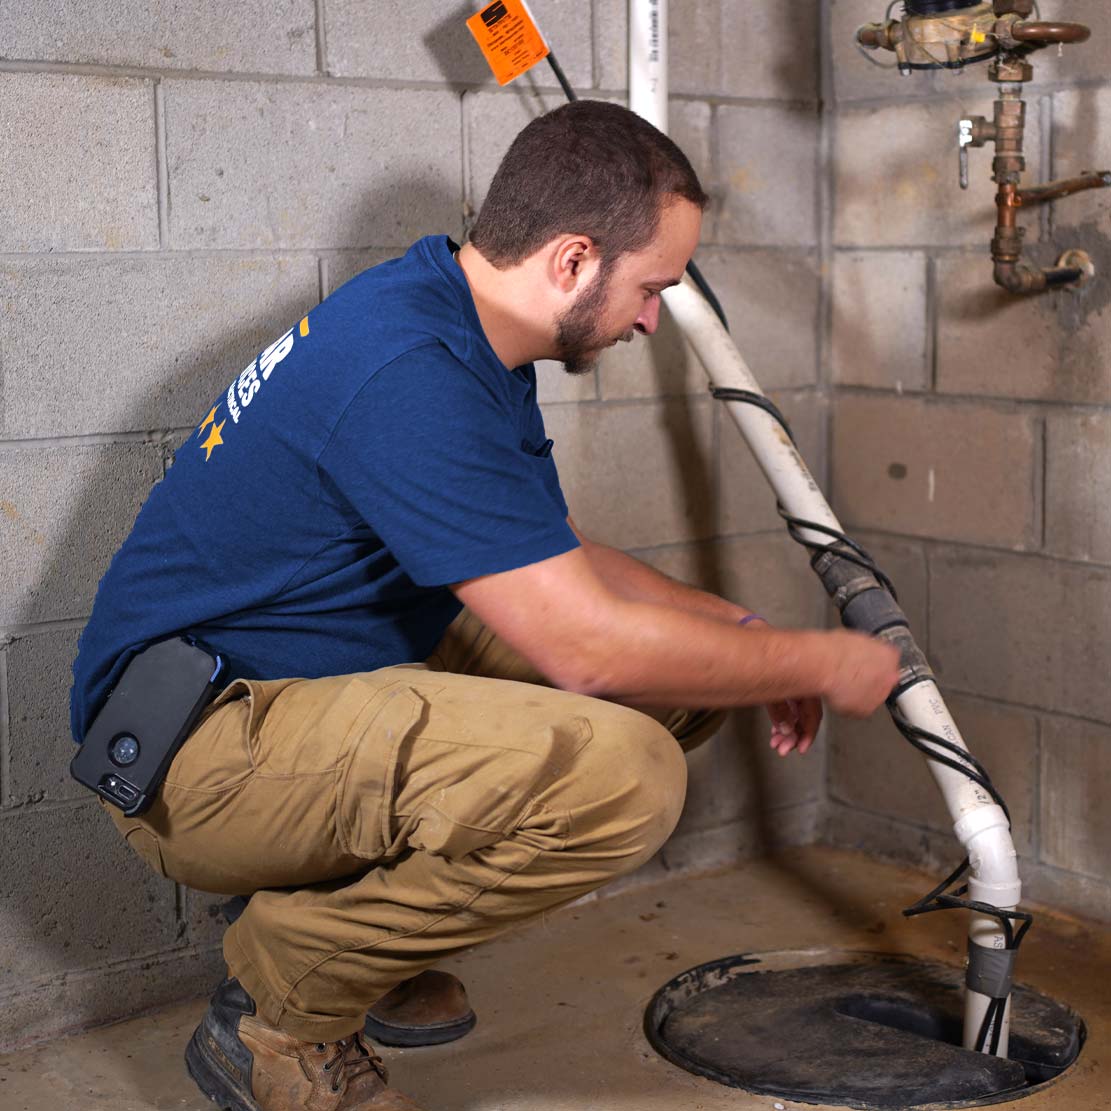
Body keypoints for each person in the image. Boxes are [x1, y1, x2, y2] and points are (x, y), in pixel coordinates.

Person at [70, 100, 900, 1111]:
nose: (648, 321)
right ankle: (283, 995)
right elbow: (584, 647)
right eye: (650, 289)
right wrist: (818, 662)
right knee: (621, 776)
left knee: (687, 674)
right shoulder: (405, 366)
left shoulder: (461, 327)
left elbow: (550, 550)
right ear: (572, 259)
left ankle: (344, 932)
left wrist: (733, 632)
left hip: (297, 682)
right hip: (192, 752)